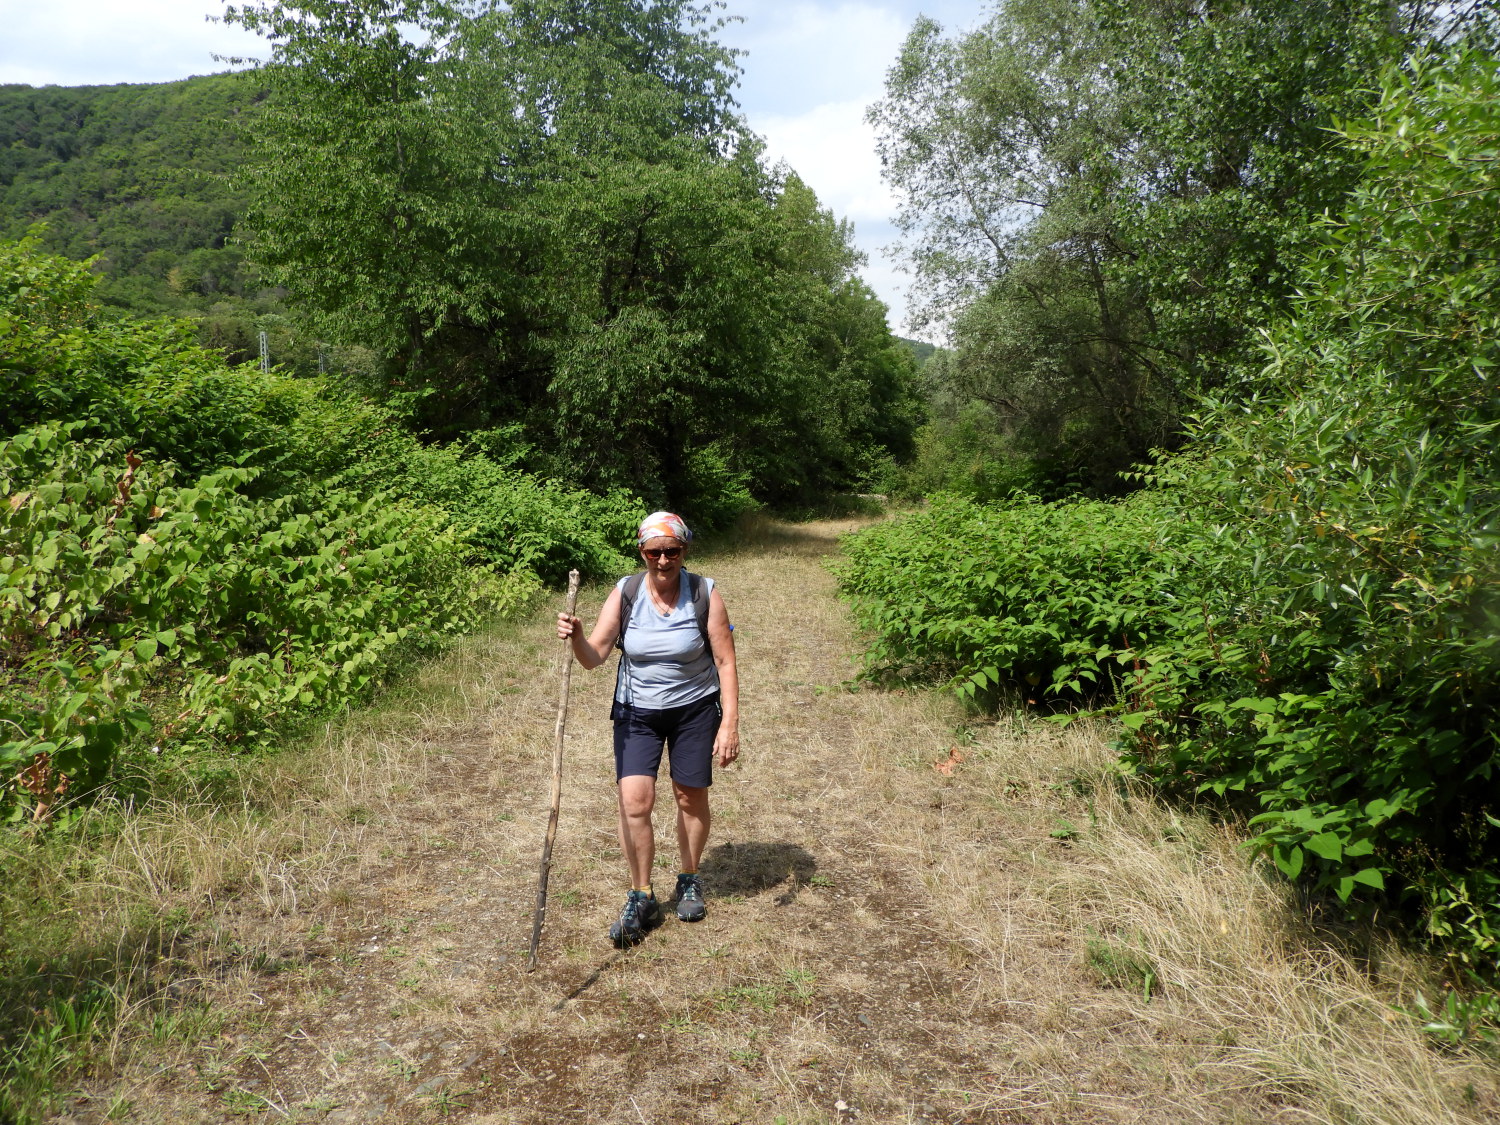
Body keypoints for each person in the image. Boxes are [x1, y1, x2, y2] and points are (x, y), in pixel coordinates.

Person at [556, 511, 740, 947]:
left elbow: (726, 662)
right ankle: (642, 895)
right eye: (654, 551)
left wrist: (729, 724)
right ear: (642, 552)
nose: (663, 560)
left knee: (689, 793)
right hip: (636, 711)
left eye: (671, 551)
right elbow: (593, 656)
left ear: (684, 551)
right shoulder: (626, 592)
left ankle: (689, 879)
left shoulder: (704, 593)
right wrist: (578, 635)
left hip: (694, 709)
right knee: (634, 801)